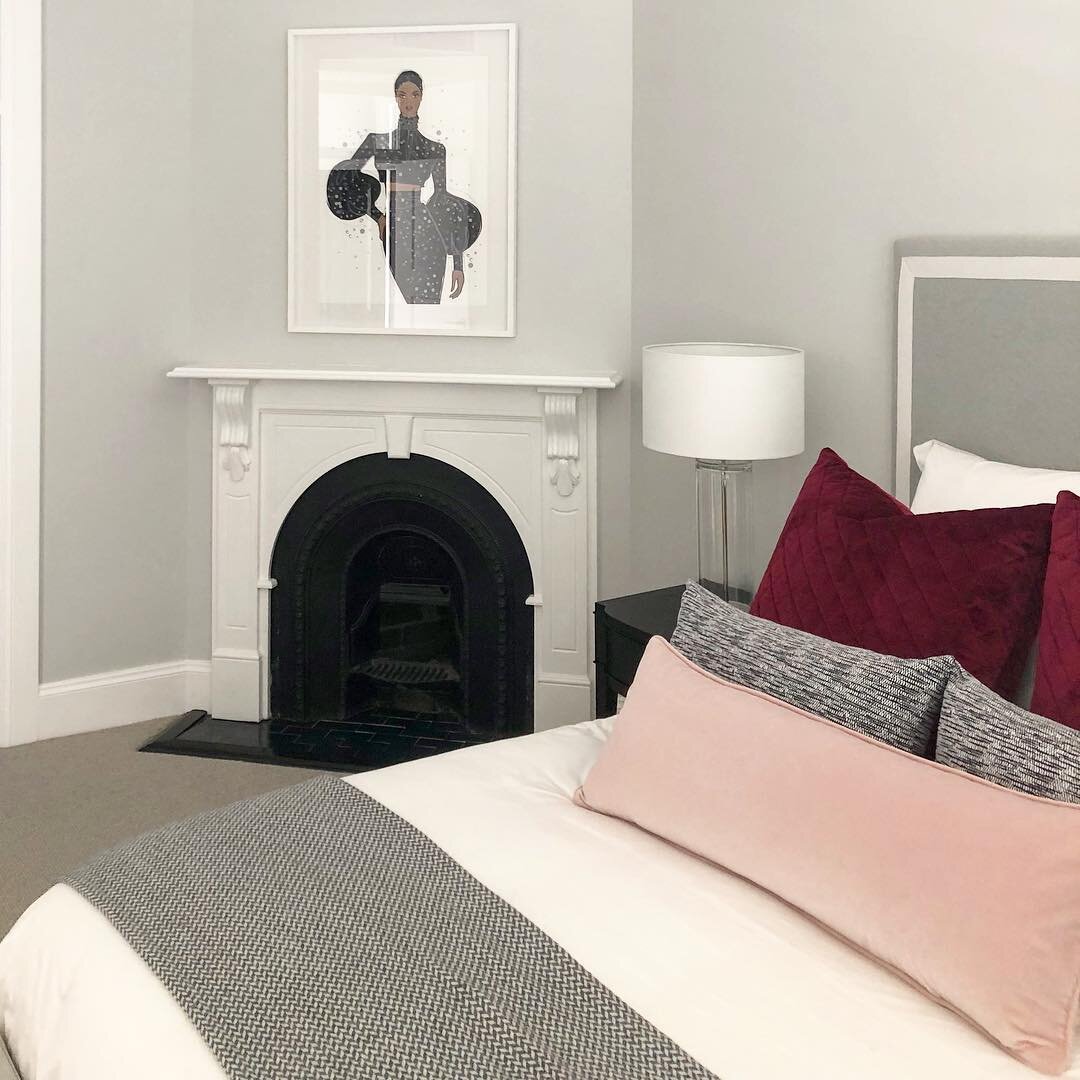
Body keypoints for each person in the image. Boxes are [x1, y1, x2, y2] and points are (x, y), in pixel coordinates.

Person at [328, 70, 480, 305]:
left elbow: (443, 202)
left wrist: (458, 264)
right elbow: (344, 180)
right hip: (395, 230)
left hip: (428, 231)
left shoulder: (435, 149)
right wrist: (378, 216)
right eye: (402, 95)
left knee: (427, 304)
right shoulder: (377, 142)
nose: (409, 101)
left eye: (415, 94)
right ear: (395, 97)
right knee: (410, 302)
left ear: (421, 97)